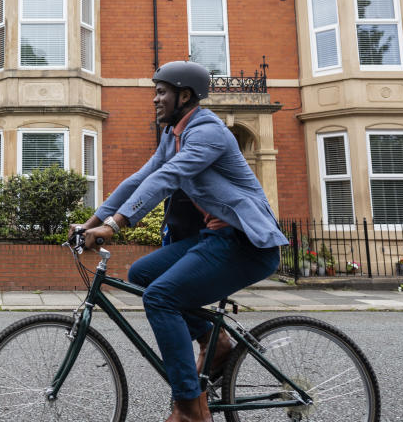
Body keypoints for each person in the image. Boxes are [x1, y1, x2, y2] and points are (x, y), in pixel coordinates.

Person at [70, 61, 288, 422]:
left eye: (161, 92)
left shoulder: (207, 132)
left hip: (246, 244)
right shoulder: (174, 136)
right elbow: (138, 180)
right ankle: (214, 341)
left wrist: (117, 224)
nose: (154, 100)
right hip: (215, 238)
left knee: (161, 298)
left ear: (184, 96)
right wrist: (90, 223)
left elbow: (170, 177)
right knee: (142, 273)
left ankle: (189, 406)